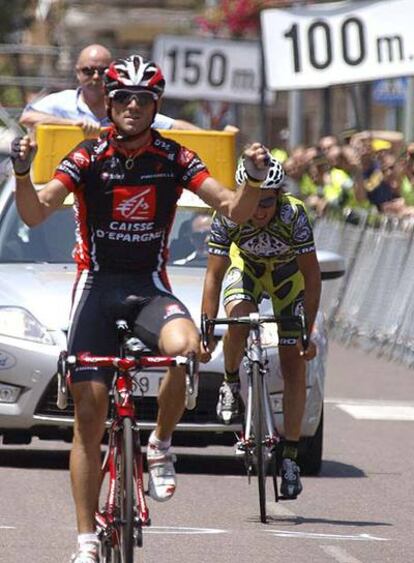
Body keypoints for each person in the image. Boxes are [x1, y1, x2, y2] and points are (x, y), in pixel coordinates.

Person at [11, 54, 271, 563]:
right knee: (89, 415)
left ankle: (159, 443)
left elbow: (235, 210)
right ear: (108, 103)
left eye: (144, 99)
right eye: (124, 98)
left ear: (156, 105)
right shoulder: (87, 157)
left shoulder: (176, 158)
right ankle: (86, 539)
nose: (133, 106)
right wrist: (22, 172)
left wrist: (254, 178)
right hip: (97, 289)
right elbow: (36, 212)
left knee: (186, 350)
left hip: (149, 287)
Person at [200, 156, 321, 499]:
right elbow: (213, 275)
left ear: (279, 197)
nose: (260, 210)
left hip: (288, 278)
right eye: (255, 200)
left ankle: (291, 458)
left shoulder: (293, 214)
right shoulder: (229, 212)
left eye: (268, 201)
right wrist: (206, 330)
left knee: (294, 361)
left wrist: (307, 333)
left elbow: (311, 277)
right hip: (249, 271)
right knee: (239, 317)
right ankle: (229, 381)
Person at [19, 44, 201, 136]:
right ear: (77, 73)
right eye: (88, 71)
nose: (96, 77)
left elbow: (175, 126)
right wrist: (74, 125)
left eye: (102, 71)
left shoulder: (124, 111)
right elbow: (27, 118)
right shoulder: (62, 101)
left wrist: (221, 139)